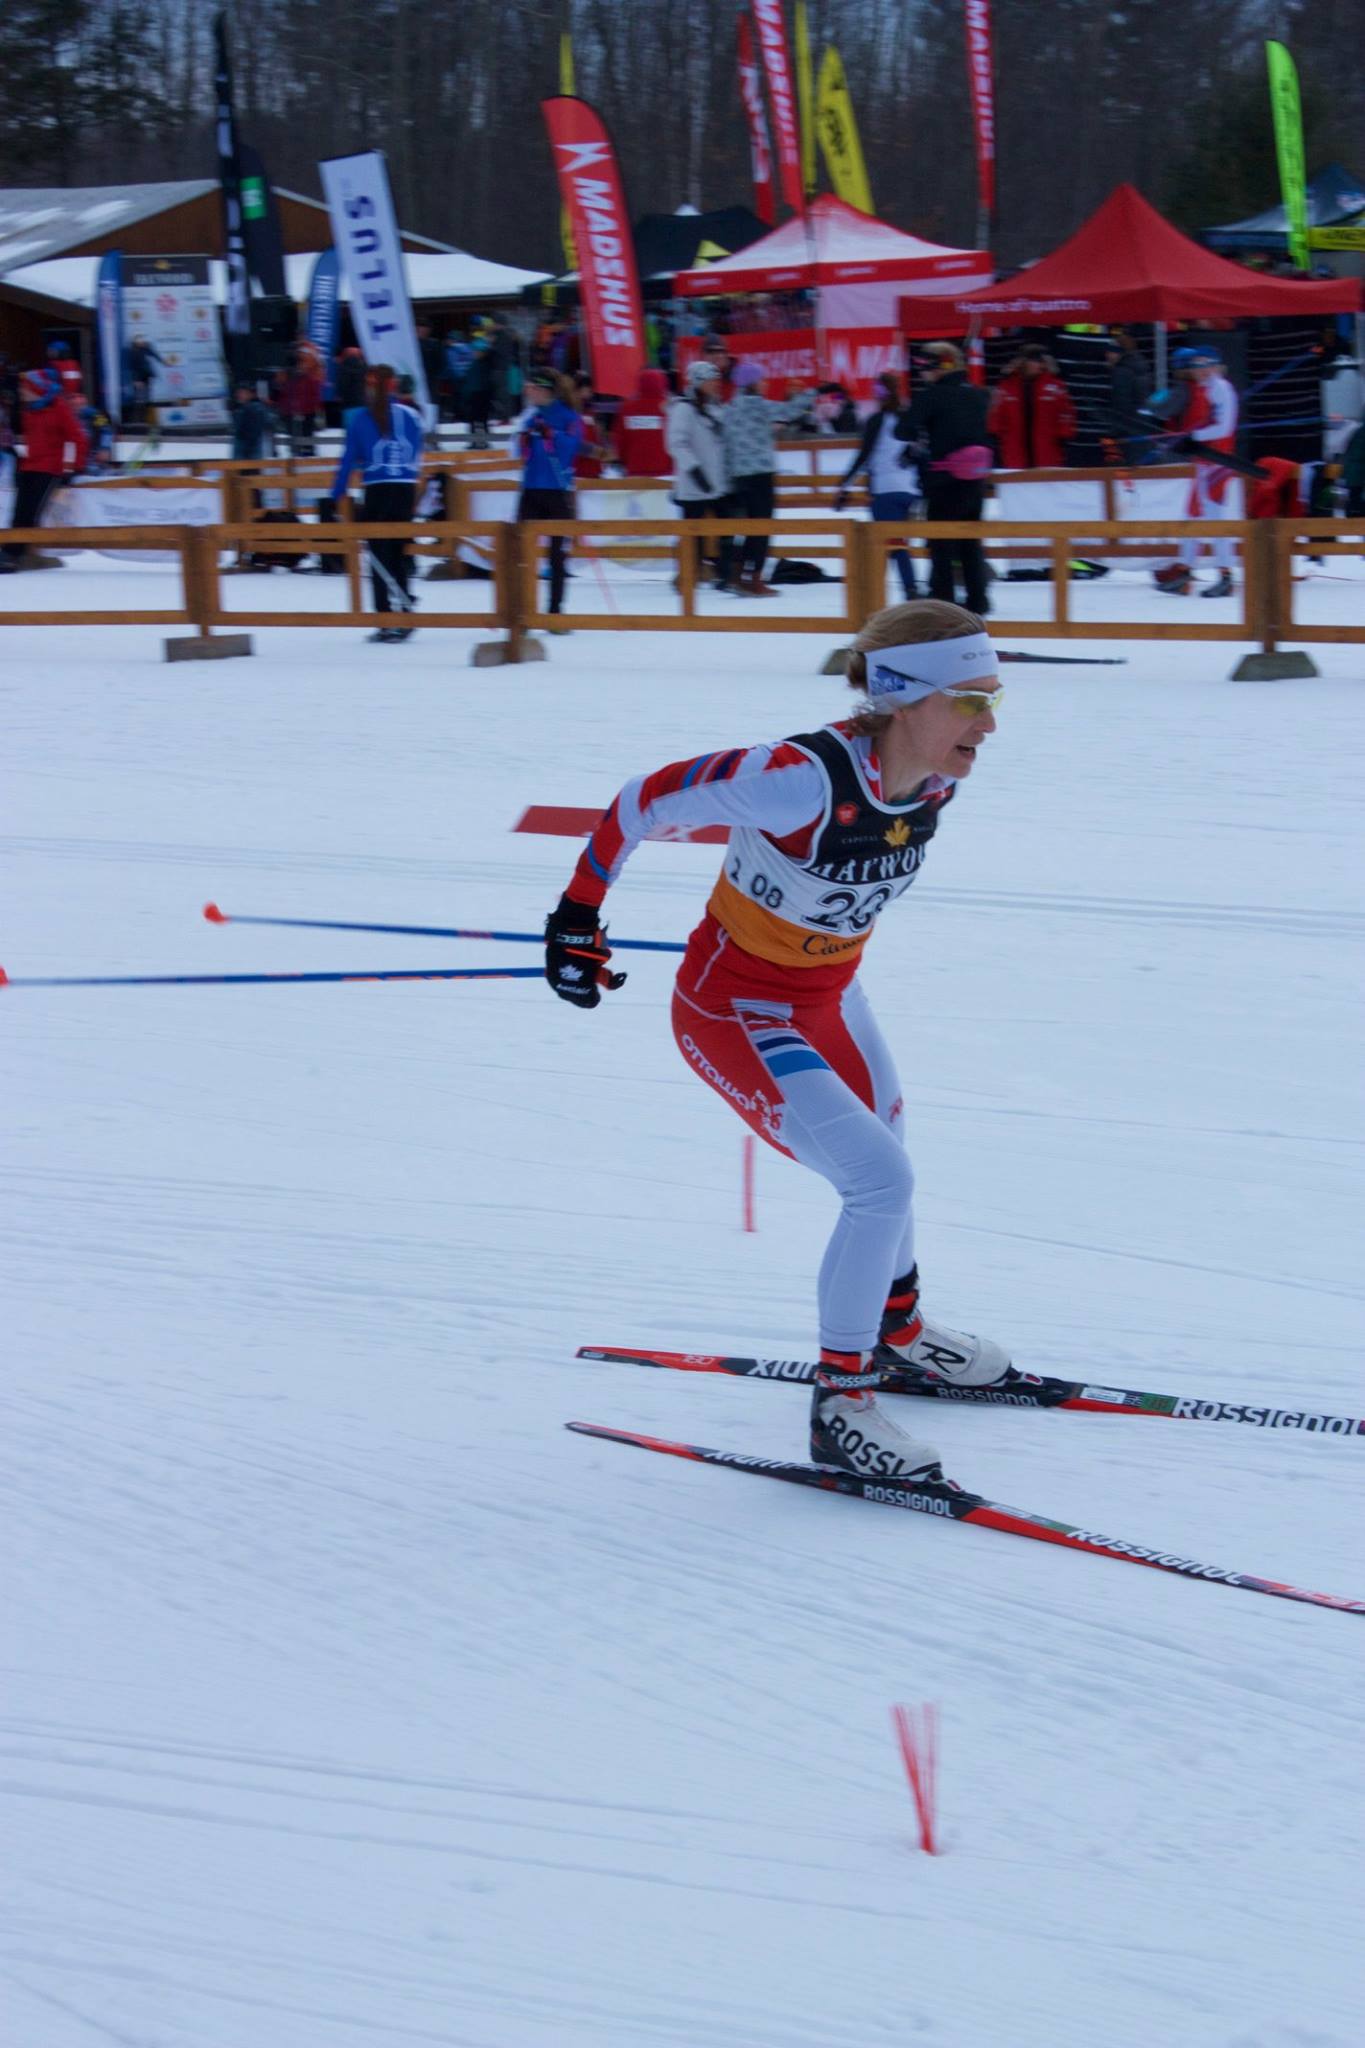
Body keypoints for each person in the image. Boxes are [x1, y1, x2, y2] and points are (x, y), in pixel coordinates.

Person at [543, 598, 1013, 1483]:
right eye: (969, 701)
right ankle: (841, 1405)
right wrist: (574, 919)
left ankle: (900, 1333)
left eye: (993, 700)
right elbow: (642, 801)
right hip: (736, 1009)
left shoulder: (935, 777)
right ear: (903, 697)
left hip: (830, 993)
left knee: (888, 1152)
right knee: (879, 1182)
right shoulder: (798, 776)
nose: (987, 724)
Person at [327, 362, 425, 642]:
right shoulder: (411, 415)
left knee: (378, 553)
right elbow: (416, 451)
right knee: (398, 551)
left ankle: (386, 616)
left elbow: (349, 458)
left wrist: (337, 494)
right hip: (405, 488)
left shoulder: (361, 418)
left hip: (378, 487)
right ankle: (403, 610)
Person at [897, 343, 992, 615]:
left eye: (924, 367)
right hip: (975, 481)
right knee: (971, 543)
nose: (921, 373)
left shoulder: (932, 396)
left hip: (943, 481)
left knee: (941, 545)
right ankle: (978, 600)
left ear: (937, 367)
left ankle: (944, 604)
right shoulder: (977, 395)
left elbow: (903, 429)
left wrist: (922, 431)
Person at [1153, 343, 1239, 599]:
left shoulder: (1222, 389)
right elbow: (1205, 423)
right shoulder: (1207, 389)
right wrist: (1186, 436)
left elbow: (1223, 429)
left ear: (1215, 366)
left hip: (1218, 460)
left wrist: (1194, 435)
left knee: (1214, 519)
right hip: (1204, 460)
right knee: (1192, 516)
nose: (1199, 370)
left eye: (1204, 365)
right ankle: (1185, 573)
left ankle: (1225, 575)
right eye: (1196, 365)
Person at [718, 361, 810, 596]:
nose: (765, 383)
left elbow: (728, 444)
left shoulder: (730, 408)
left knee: (746, 528)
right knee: (763, 527)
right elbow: (789, 411)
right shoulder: (757, 405)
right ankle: (754, 579)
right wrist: (814, 392)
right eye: (762, 379)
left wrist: (728, 478)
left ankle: (738, 575)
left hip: (739, 476)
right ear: (752, 383)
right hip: (760, 475)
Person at [835, 370, 921, 600]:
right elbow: (919, 448)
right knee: (898, 542)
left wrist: (844, 486)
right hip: (909, 488)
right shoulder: (909, 417)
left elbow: (864, 456)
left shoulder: (876, 421)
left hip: (885, 489)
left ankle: (903, 590)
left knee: (890, 544)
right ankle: (902, 588)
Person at [1, 368, 89, 569]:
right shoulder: (28, 409)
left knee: (32, 512)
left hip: (49, 469)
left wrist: (76, 467)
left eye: (24, 388)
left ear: (35, 388)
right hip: (29, 466)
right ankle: (11, 552)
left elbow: (78, 438)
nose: (21, 392)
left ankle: (16, 554)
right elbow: (26, 437)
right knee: (18, 512)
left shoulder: (59, 407)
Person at [516, 368, 583, 629]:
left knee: (557, 555)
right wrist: (525, 440)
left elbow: (570, 449)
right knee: (522, 551)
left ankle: (555, 612)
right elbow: (521, 454)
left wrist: (551, 436)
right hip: (531, 490)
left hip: (557, 491)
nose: (528, 392)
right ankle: (522, 611)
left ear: (545, 390)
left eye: (532, 388)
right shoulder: (532, 417)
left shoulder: (569, 417)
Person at [666, 360, 733, 590]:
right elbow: (676, 443)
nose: (715, 384)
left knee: (725, 532)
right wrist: (695, 471)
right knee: (693, 537)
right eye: (710, 380)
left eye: (716, 380)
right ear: (698, 382)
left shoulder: (717, 408)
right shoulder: (683, 409)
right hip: (694, 486)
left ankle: (725, 575)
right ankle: (688, 578)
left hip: (718, 485)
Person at [988, 346, 1077, 468]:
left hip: (1048, 457)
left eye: (1043, 361)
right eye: (1037, 361)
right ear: (1023, 362)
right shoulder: (1006, 387)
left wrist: (1064, 436)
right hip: (1014, 458)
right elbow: (995, 417)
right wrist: (997, 437)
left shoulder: (1055, 386)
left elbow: (1067, 413)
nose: (1041, 365)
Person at [1103, 331, 1153, 466]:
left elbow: (1121, 404)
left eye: (1111, 352)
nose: (1107, 355)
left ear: (1119, 352)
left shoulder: (1121, 371)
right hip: (1143, 426)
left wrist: (1114, 432)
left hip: (1128, 430)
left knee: (1126, 472)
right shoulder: (1142, 366)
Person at [615, 367, 671, 477]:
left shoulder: (627, 408)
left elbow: (620, 439)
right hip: (664, 471)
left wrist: (624, 460)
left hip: (635, 470)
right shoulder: (669, 408)